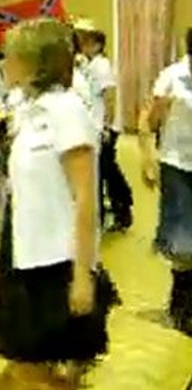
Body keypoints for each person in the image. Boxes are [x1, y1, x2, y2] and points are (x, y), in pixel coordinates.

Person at [0, 19, 127, 390]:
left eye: (11, 54)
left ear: (33, 61)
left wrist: (84, 273)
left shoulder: (67, 113)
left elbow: (86, 199)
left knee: (33, 368)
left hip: (57, 260)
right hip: (22, 252)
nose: (4, 62)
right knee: (21, 368)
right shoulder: (29, 108)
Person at [140, 27, 192, 337]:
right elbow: (149, 119)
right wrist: (147, 157)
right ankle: (182, 305)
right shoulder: (172, 77)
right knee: (183, 239)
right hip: (177, 163)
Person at [80, 29, 133, 231]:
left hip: (103, 127)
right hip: (96, 126)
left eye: (87, 42)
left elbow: (109, 96)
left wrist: (107, 126)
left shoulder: (101, 65)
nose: (83, 45)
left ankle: (117, 209)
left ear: (97, 45)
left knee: (103, 170)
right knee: (107, 169)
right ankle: (121, 208)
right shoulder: (89, 64)